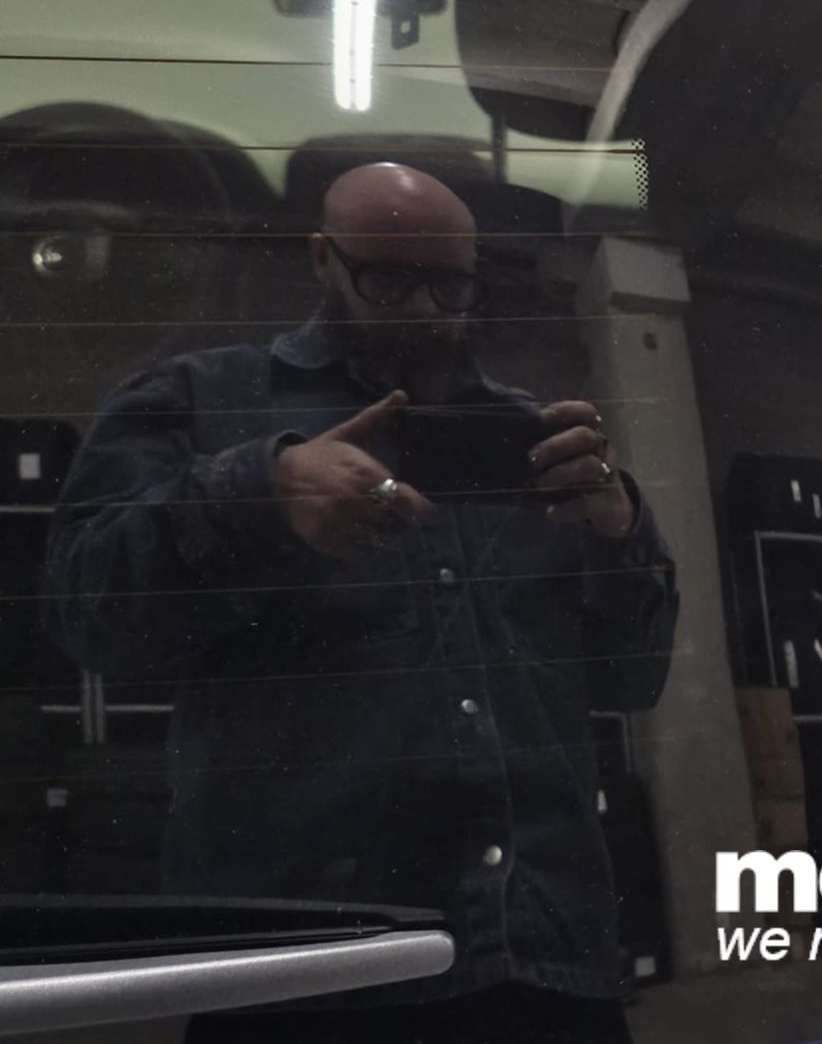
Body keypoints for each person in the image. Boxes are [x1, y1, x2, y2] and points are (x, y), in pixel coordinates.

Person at [43, 163, 677, 1042]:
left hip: (545, 959)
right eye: (388, 278)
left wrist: (620, 528)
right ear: (323, 258)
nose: (422, 307)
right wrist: (255, 494)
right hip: (302, 975)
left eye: (449, 284)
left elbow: (633, 679)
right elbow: (85, 617)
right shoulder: (198, 401)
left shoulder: (536, 443)